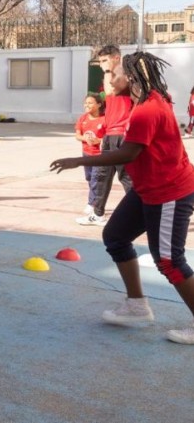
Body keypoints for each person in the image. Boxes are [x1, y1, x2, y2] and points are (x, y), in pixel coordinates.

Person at [50, 51, 194, 344]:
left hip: (169, 192)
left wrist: (78, 161)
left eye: (114, 73)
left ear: (131, 77)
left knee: (169, 259)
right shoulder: (143, 100)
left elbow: (128, 153)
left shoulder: (147, 110)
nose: (109, 78)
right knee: (115, 236)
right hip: (147, 189)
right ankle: (137, 305)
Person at [77, 45, 133, 226]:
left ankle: (144, 214)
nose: (101, 65)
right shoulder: (109, 76)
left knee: (127, 178)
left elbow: (110, 91)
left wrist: (108, 69)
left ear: (116, 58)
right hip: (110, 134)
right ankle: (98, 214)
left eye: (104, 60)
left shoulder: (124, 74)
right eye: (100, 61)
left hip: (122, 135)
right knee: (101, 175)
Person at [74, 93, 105, 216]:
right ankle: (97, 201)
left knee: (95, 179)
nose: (87, 105)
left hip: (99, 155)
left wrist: (99, 140)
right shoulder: (83, 118)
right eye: (86, 103)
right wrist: (85, 138)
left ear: (99, 104)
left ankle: (91, 203)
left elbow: (108, 136)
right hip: (86, 153)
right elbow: (77, 135)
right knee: (89, 177)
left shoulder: (104, 119)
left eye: (90, 103)